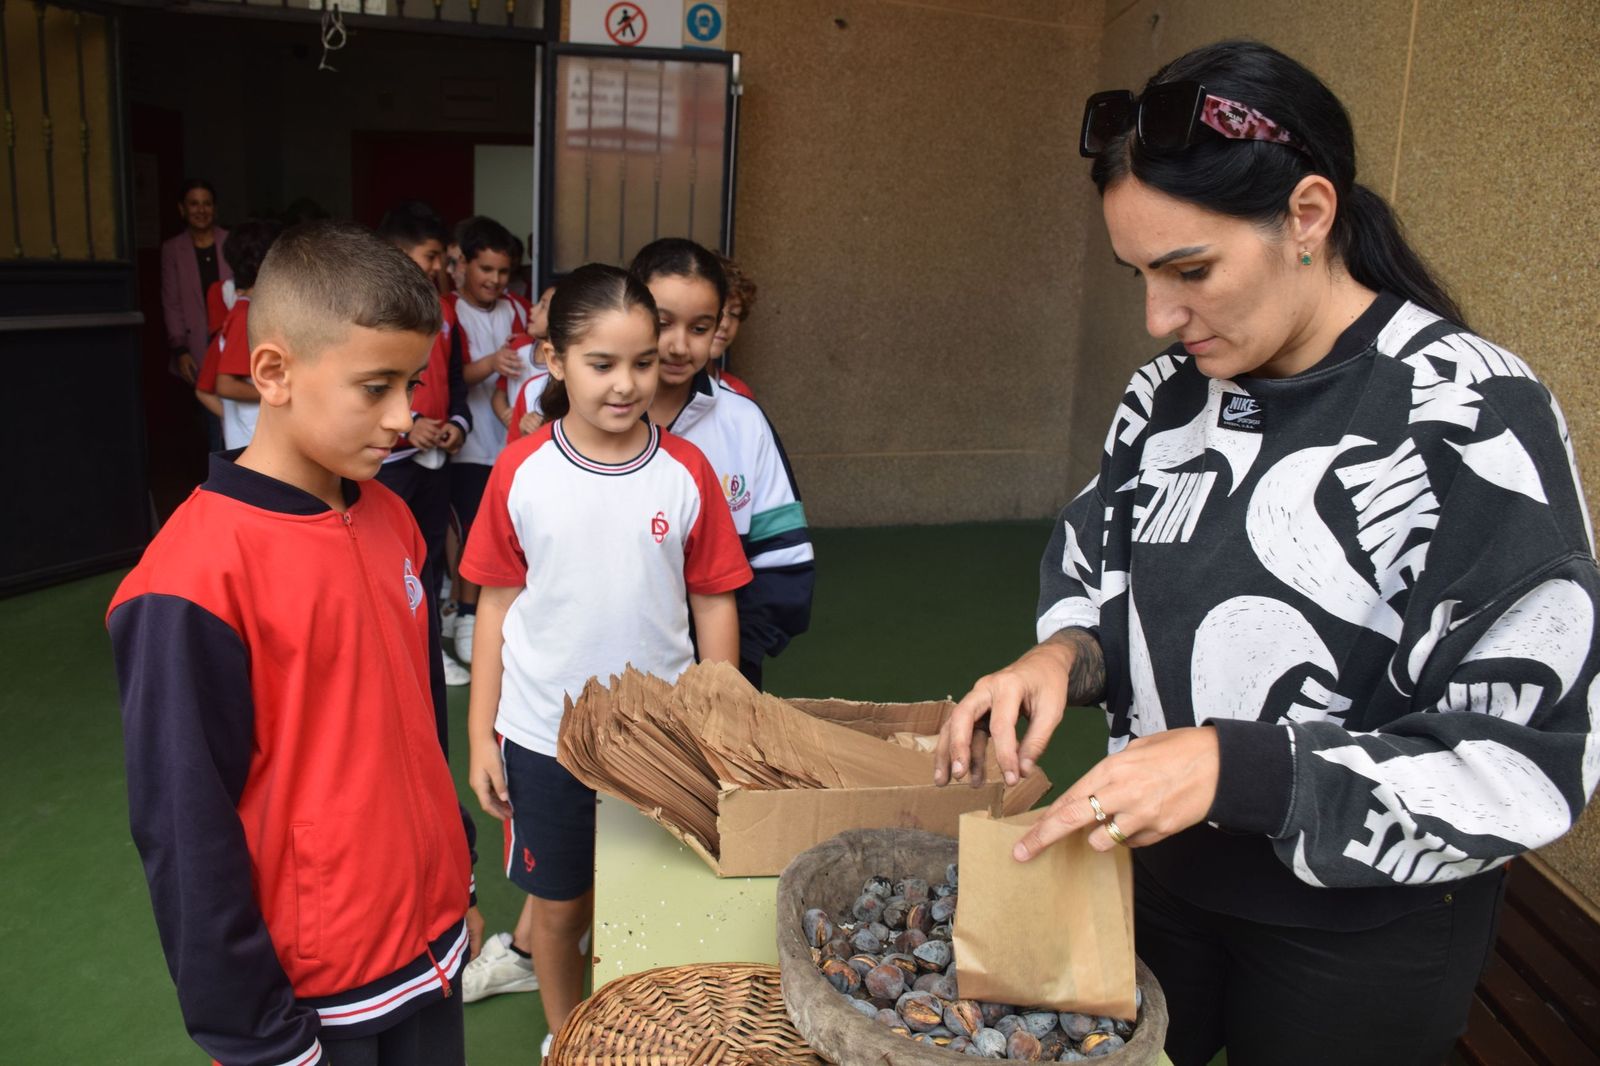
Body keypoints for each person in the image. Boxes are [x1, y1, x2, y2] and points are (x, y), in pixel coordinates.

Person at [933, 40, 1600, 1066]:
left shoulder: (1469, 411)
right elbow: (1101, 567)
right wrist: (1062, 656)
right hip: (1155, 880)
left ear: (1307, 215)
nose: (1159, 318)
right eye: (1140, 276)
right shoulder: (1165, 398)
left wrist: (1238, 766)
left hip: (1367, 932)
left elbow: (1525, 752)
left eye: (1190, 270)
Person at [108, 220, 475, 1066]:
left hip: (430, 949)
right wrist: (255, 1035)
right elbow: (182, 830)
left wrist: (455, 882)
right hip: (315, 1001)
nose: (404, 416)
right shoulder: (191, 580)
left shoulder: (392, 519)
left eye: (414, 384)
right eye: (375, 386)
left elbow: (420, 722)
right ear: (271, 372)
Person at [460, 264, 751, 1052]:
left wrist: (718, 723)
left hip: (656, 740)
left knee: (639, 896)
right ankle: (569, 1036)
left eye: (644, 362)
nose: (626, 384)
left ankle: (633, 1025)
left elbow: (714, 600)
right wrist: (483, 736)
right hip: (540, 738)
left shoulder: (685, 473)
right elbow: (494, 605)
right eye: (602, 364)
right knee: (558, 908)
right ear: (552, 360)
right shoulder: (520, 471)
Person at [632, 238, 815, 689]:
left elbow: (783, 560)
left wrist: (739, 661)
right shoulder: (590, 417)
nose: (678, 346)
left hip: (718, 674)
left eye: (699, 328)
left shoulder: (743, 421)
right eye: (662, 323)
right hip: (604, 670)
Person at [376, 201, 473, 690]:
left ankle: (428, 647)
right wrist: (407, 424)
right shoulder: (371, 310)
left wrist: (456, 421)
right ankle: (389, 653)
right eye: (431, 255)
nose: (439, 267)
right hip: (389, 460)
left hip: (437, 457)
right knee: (386, 557)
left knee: (431, 554)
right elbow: (365, 383)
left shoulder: (447, 311)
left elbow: (454, 379)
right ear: (397, 253)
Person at [447, 216, 526, 667]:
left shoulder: (516, 309)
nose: (495, 280)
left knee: (506, 531)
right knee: (469, 531)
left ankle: (496, 619)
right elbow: (449, 375)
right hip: (468, 444)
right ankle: (465, 615)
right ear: (464, 265)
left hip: (512, 445)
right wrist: (492, 363)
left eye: (502, 272)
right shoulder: (449, 311)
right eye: (486, 270)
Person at [193, 217, 283, 449]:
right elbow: (224, 385)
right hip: (258, 451)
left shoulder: (240, 314)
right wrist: (282, 394)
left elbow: (204, 390)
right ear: (259, 265)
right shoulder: (245, 317)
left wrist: (233, 423)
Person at [160, 179, 231, 388]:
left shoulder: (231, 241)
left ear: (215, 209)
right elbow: (171, 302)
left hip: (230, 339)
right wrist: (180, 349)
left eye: (207, 204)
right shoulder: (173, 249)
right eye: (194, 204)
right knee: (207, 406)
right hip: (195, 344)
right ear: (182, 209)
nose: (201, 210)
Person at [709, 251, 756, 399]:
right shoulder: (647, 387)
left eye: (734, 313)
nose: (725, 324)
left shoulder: (738, 394)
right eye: (715, 310)